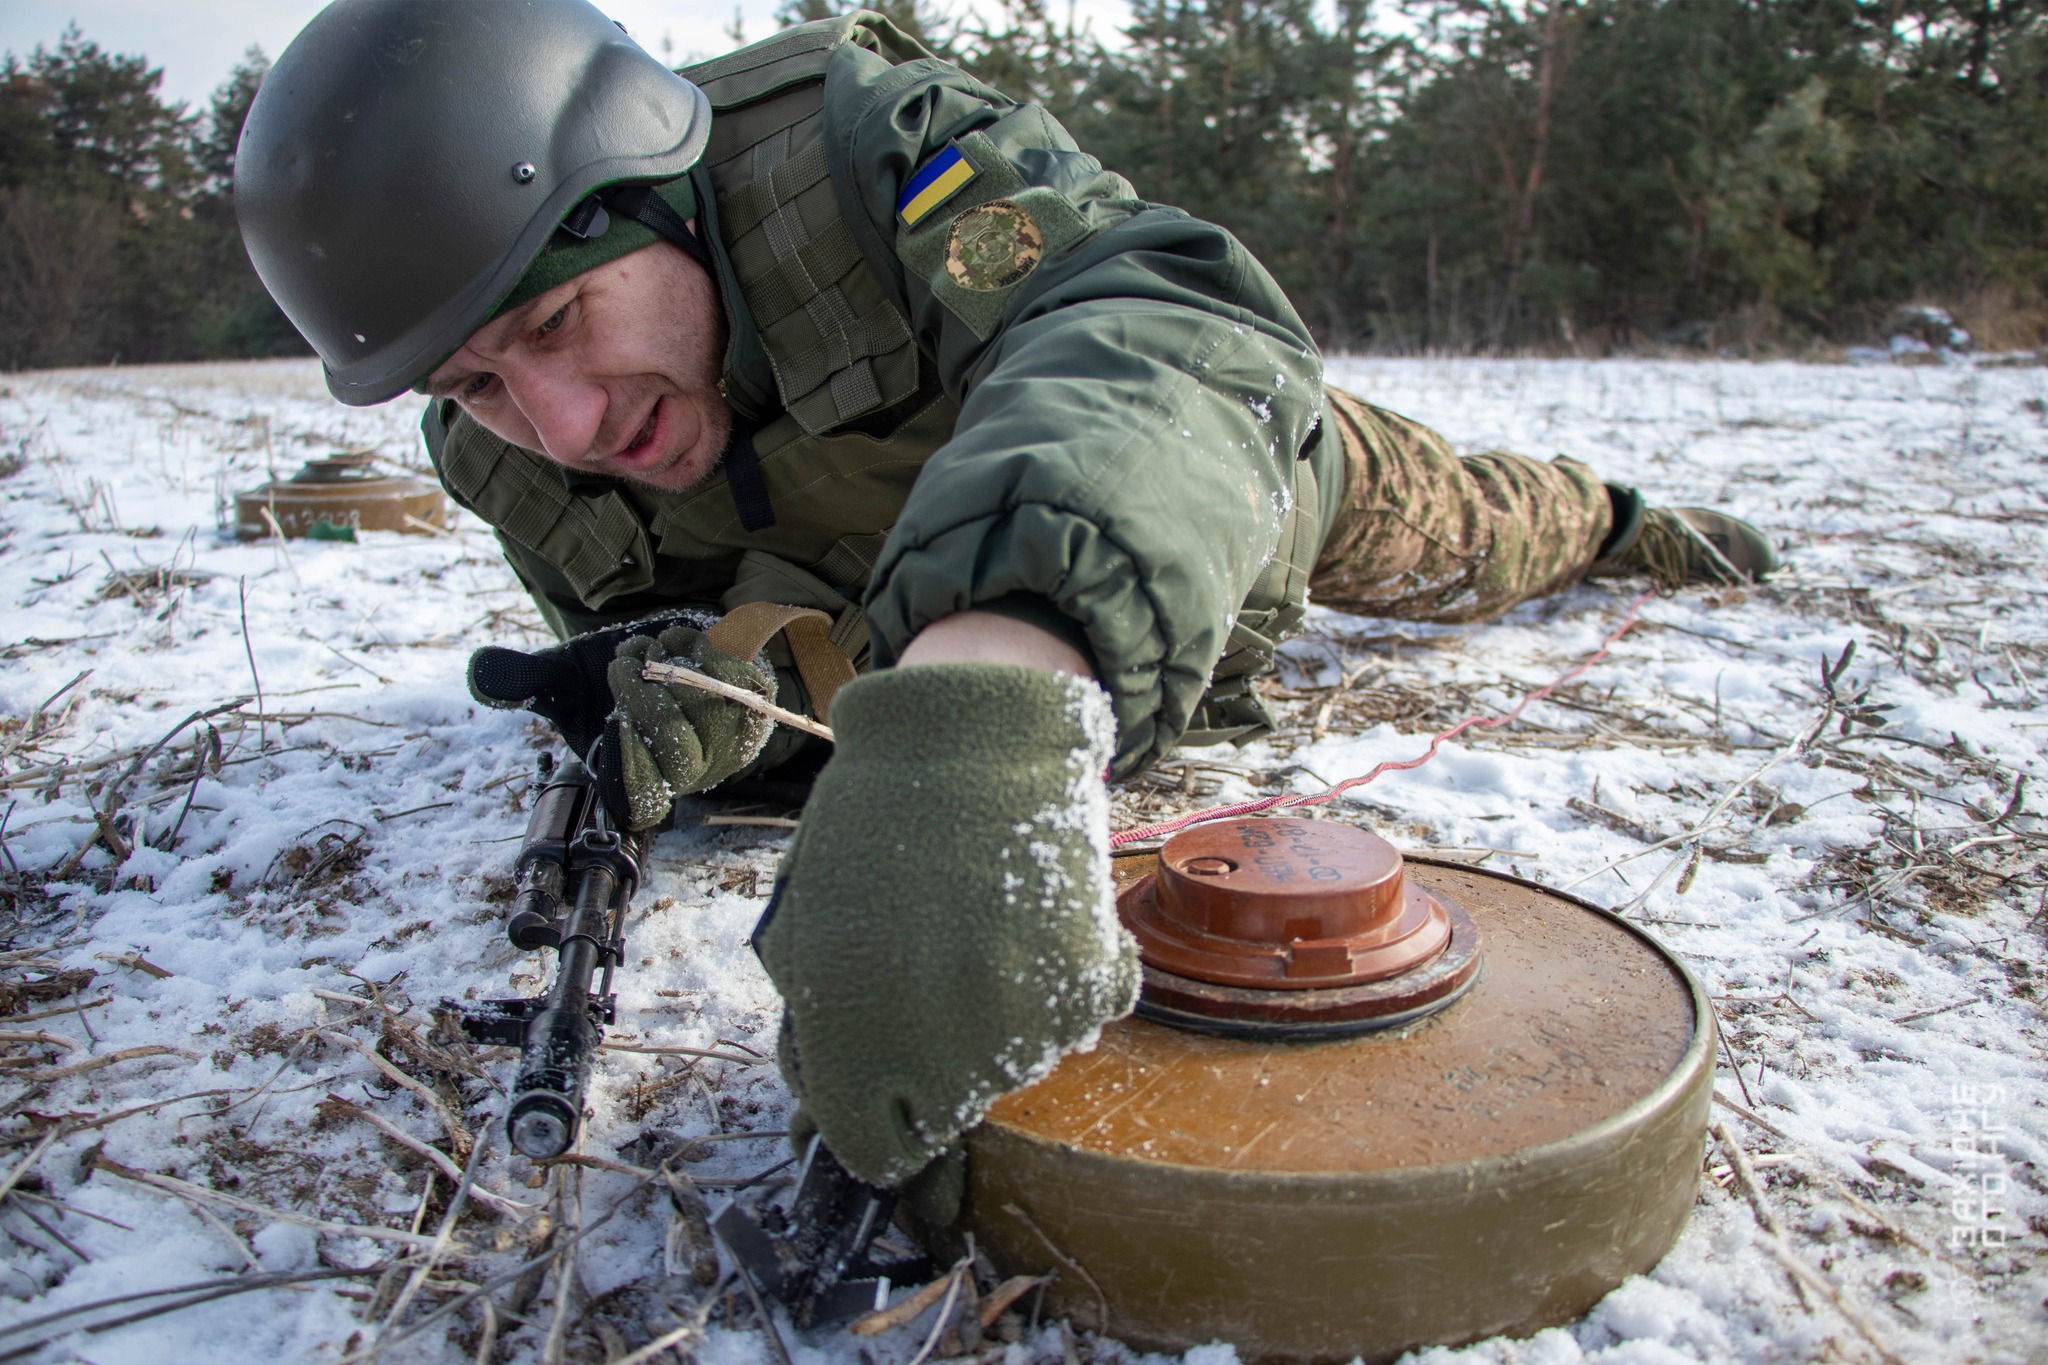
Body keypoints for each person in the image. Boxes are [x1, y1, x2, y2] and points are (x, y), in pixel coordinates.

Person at [235, 0, 1774, 1203]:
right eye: (479, 385)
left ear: (648, 194)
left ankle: (1639, 522)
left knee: (1476, 530)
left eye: (562, 320)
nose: (562, 425)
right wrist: (730, 691)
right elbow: (795, 620)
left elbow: (1167, 327)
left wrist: (993, 681)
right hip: (981, 549)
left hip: (1215, 478)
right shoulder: (508, 462)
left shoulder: (865, 151)